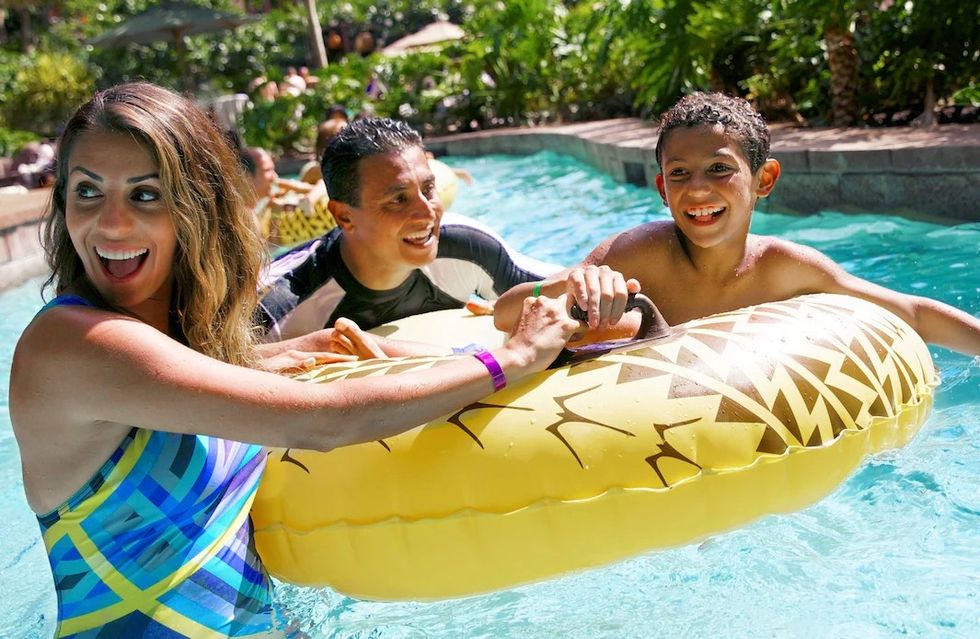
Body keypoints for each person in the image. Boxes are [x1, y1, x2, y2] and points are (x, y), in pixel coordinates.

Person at [9, 82, 579, 637]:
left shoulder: (177, 342)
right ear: (62, 203)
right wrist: (512, 358)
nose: (110, 223)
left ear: (196, 204)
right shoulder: (72, 345)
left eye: (145, 193)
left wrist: (275, 355)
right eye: (87, 191)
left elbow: (178, 390)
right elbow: (321, 420)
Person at [494, 92, 980, 356]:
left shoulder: (782, 268)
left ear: (764, 178)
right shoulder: (639, 253)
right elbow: (506, 313)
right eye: (679, 174)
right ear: (663, 190)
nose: (698, 190)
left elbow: (910, 313)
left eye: (720, 169)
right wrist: (570, 283)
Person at [257, 117, 560, 340]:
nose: (427, 213)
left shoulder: (466, 246)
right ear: (344, 217)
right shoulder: (279, 307)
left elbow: (561, 290)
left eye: (429, 190)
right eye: (398, 199)